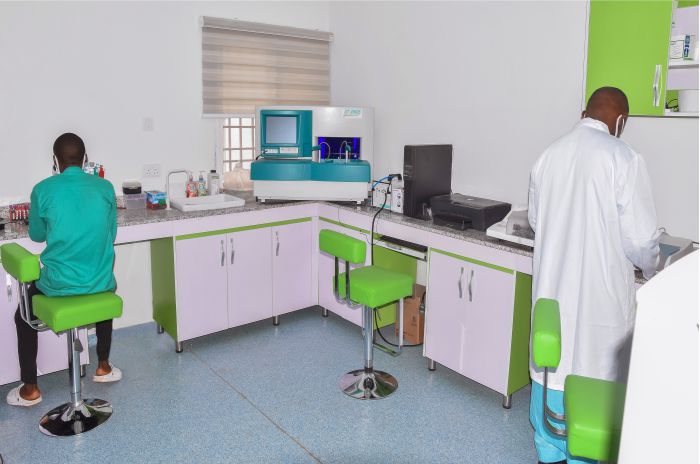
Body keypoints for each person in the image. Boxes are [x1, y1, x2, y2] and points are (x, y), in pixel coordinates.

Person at [527, 87, 660, 464]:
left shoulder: (548, 155)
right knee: (592, 399)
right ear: (620, 121)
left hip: (552, 294)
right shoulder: (624, 158)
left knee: (551, 387)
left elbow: (537, 221)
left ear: (584, 113)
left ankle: (549, 450)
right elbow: (642, 240)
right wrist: (653, 268)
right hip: (600, 304)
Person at [6, 133, 122, 407]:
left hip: (59, 286)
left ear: (55, 162)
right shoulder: (105, 187)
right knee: (103, 284)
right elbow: (111, 233)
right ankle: (103, 366)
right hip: (99, 281)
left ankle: (30, 389)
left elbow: (36, 235)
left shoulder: (43, 189)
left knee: (22, 316)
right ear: (85, 159)